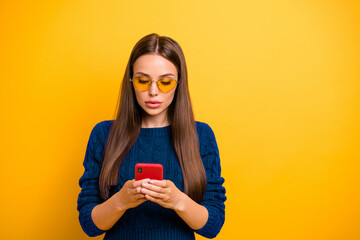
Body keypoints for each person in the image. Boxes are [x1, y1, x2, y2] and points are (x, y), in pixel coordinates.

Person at [77, 33, 226, 240]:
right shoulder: (103, 134)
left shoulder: (201, 135)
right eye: (143, 81)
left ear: (179, 83)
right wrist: (121, 200)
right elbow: (89, 225)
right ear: (131, 82)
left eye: (165, 82)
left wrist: (177, 200)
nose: (153, 91)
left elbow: (213, 225)